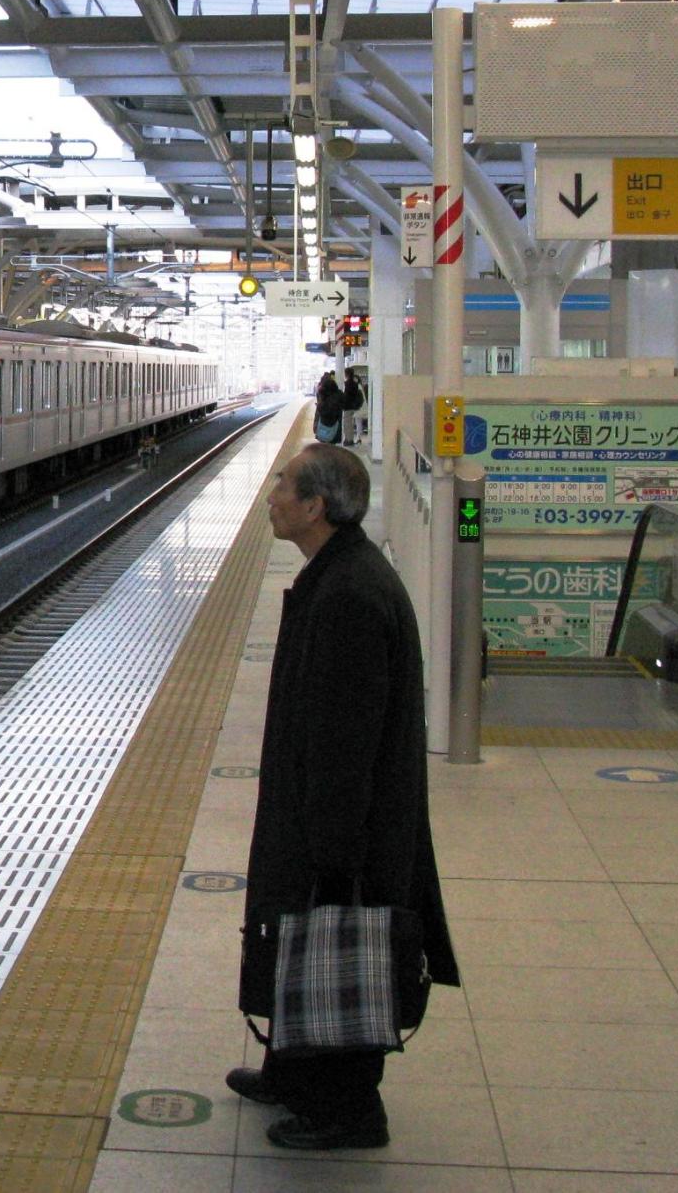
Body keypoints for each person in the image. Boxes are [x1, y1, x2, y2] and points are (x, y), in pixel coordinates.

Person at [231, 443, 459, 1151]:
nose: (271, 496)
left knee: (339, 943)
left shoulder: (350, 596)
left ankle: (350, 1109)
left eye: (283, 486)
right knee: (302, 939)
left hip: (342, 825)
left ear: (315, 507)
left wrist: (336, 854)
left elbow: (345, 740)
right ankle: (292, 1071)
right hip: (318, 811)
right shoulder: (338, 573)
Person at [312, 369, 344, 445]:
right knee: (332, 444)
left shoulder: (322, 396)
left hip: (323, 427)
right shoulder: (339, 395)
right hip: (335, 428)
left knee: (323, 444)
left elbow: (318, 414)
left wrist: (315, 425)